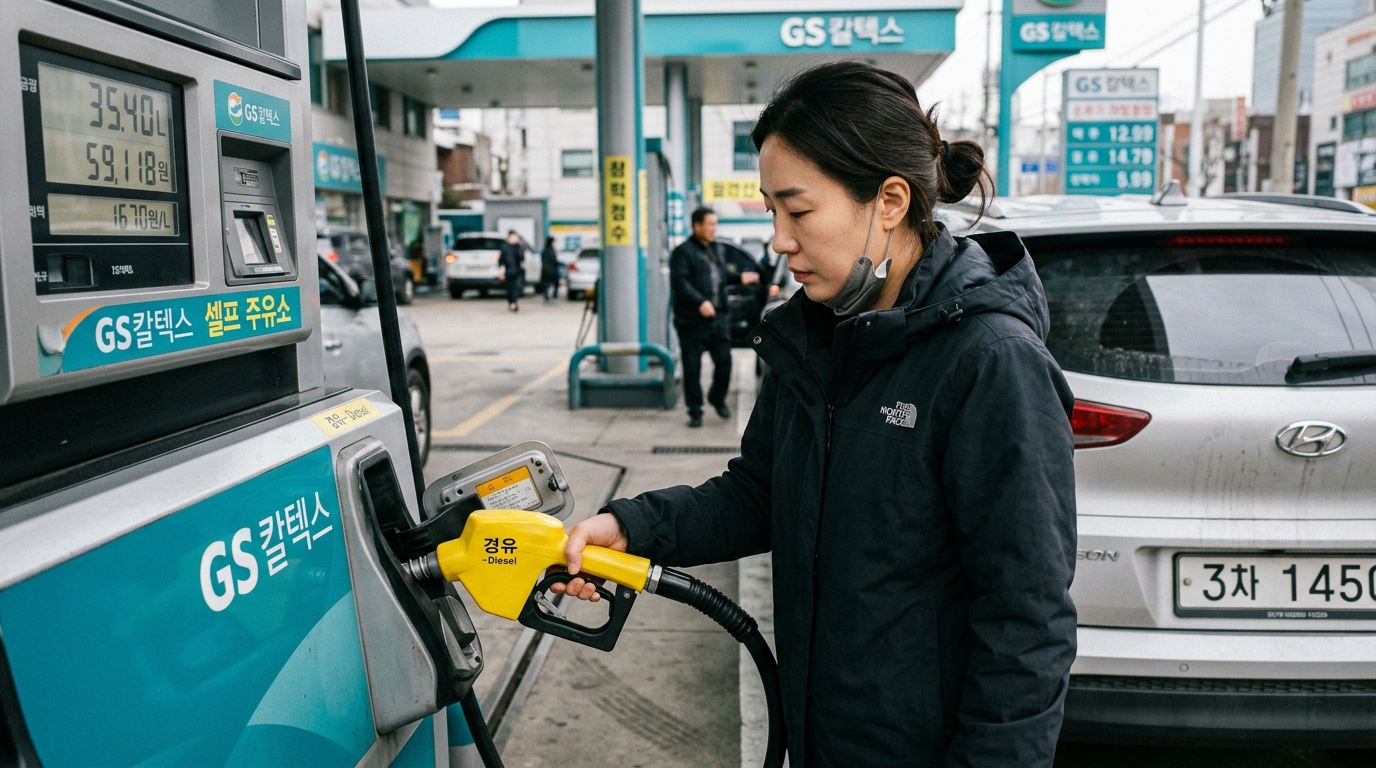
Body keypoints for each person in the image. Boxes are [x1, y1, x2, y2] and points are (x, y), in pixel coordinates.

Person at [553, 62, 1078, 767]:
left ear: (889, 201)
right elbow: (761, 494)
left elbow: (1026, 619)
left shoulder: (988, 361)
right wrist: (634, 526)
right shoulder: (815, 337)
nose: (778, 239)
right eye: (771, 211)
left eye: (797, 211)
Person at [670, 207, 759, 427]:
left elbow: (721, 277)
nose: (714, 229)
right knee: (692, 369)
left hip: (718, 320)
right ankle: (695, 410)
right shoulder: (683, 252)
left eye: (715, 224)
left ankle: (717, 398)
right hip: (692, 322)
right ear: (697, 226)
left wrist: (740, 277)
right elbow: (680, 283)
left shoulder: (717, 249)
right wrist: (699, 302)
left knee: (725, 362)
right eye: (710, 224)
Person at [498, 230, 524, 312]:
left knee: (516, 287)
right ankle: (511, 302)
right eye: (513, 237)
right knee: (509, 288)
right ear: (509, 237)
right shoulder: (504, 246)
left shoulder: (518, 246)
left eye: (515, 237)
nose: (514, 239)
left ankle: (514, 303)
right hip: (508, 270)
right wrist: (501, 268)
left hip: (517, 270)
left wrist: (520, 247)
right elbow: (501, 258)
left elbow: (521, 258)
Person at [539, 236, 560, 304]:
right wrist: (559, 264)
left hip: (544, 270)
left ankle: (547, 298)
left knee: (546, 285)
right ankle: (552, 297)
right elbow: (554, 260)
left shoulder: (544, 250)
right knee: (554, 284)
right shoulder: (552, 251)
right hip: (551, 271)